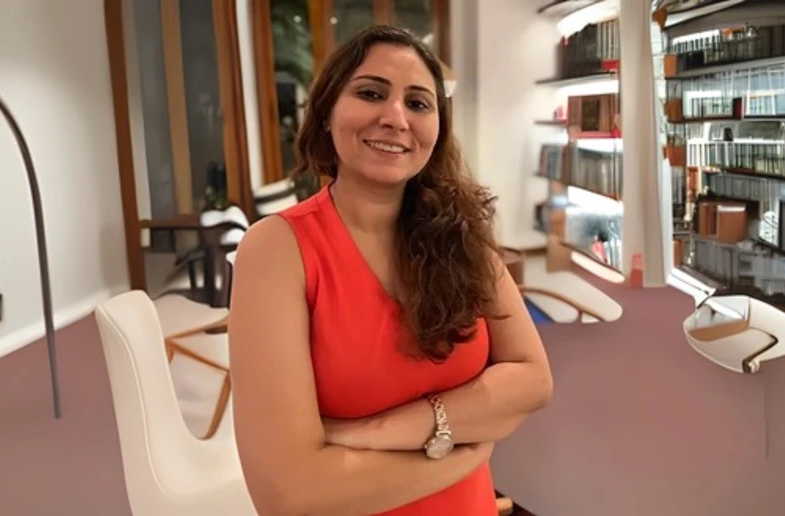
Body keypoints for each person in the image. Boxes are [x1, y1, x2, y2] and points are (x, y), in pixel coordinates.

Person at [228, 25, 553, 515]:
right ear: (326, 111)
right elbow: (289, 497)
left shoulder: (462, 236)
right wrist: (463, 450)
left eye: (418, 103)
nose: (396, 118)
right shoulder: (276, 249)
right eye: (371, 93)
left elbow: (533, 379)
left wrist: (387, 429)